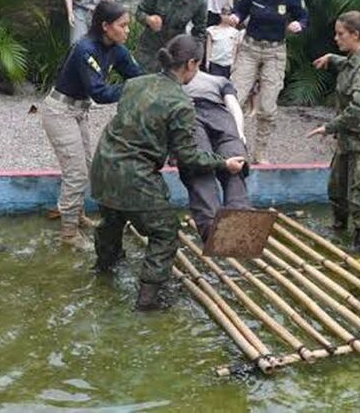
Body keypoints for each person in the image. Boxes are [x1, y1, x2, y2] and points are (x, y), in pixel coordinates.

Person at [90, 35, 246, 310]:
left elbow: (140, 125)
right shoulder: (181, 102)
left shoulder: (134, 84)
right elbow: (188, 156)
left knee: (112, 221)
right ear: (191, 64)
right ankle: (148, 301)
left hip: (103, 167)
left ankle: (103, 271)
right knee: (164, 232)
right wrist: (224, 164)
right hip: (135, 177)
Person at [40, 1, 143, 245]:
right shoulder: (85, 49)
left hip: (78, 111)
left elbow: (138, 75)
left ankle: (77, 215)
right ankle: (68, 234)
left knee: (85, 166)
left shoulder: (116, 49)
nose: (127, 30)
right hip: (59, 112)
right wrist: (133, 88)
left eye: (128, 25)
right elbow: (100, 92)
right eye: (123, 25)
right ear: (106, 26)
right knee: (76, 173)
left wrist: (159, 81)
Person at [306, 11, 360, 252]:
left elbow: (358, 111)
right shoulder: (353, 59)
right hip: (347, 139)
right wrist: (331, 58)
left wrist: (328, 128)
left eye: (341, 34)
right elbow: (347, 65)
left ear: (356, 35)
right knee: (337, 188)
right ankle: (338, 233)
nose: (336, 38)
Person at [229, 0, 309, 163]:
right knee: (234, 98)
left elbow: (303, 17)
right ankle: (232, 146)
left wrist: (298, 25)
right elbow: (240, 11)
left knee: (267, 106)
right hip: (250, 48)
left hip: (275, 52)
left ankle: (260, 151)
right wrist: (235, 17)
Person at [179, 71, 250, 242]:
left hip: (189, 114)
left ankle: (212, 230)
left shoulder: (172, 78)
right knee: (235, 167)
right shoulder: (219, 81)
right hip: (221, 117)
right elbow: (233, 106)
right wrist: (239, 134)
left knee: (200, 171)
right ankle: (239, 218)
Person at [135, 0, 208, 72]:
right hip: (149, 51)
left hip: (176, 54)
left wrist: (195, 56)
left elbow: (200, 32)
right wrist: (148, 20)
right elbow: (139, 12)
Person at [205, 11, 239, 78]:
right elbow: (209, 46)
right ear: (220, 15)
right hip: (215, 62)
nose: (226, 17)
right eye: (224, 14)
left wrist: (233, 63)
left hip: (228, 63)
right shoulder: (212, 30)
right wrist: (207, 61)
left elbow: (235, 48)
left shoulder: (235, 32)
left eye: (228, 14)